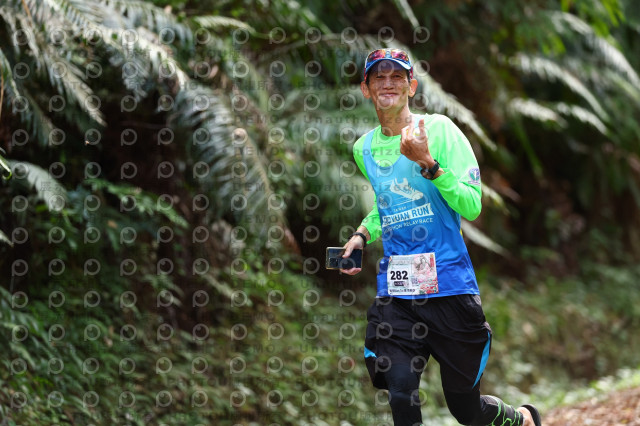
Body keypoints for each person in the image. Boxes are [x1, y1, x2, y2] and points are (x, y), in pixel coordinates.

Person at [340, 48, 542, 426]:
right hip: (398, 292)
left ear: (412, 87)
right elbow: (389, 202)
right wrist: (362, 234)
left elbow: (471, 205)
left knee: (465, 408)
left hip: (449, 286)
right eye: (379, 77)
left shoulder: (440, 131)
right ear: (366, 89)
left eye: (397, 77)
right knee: (400, 388)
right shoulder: (363, 148)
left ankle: (521, 420)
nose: (388, 83)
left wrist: (428, 163)